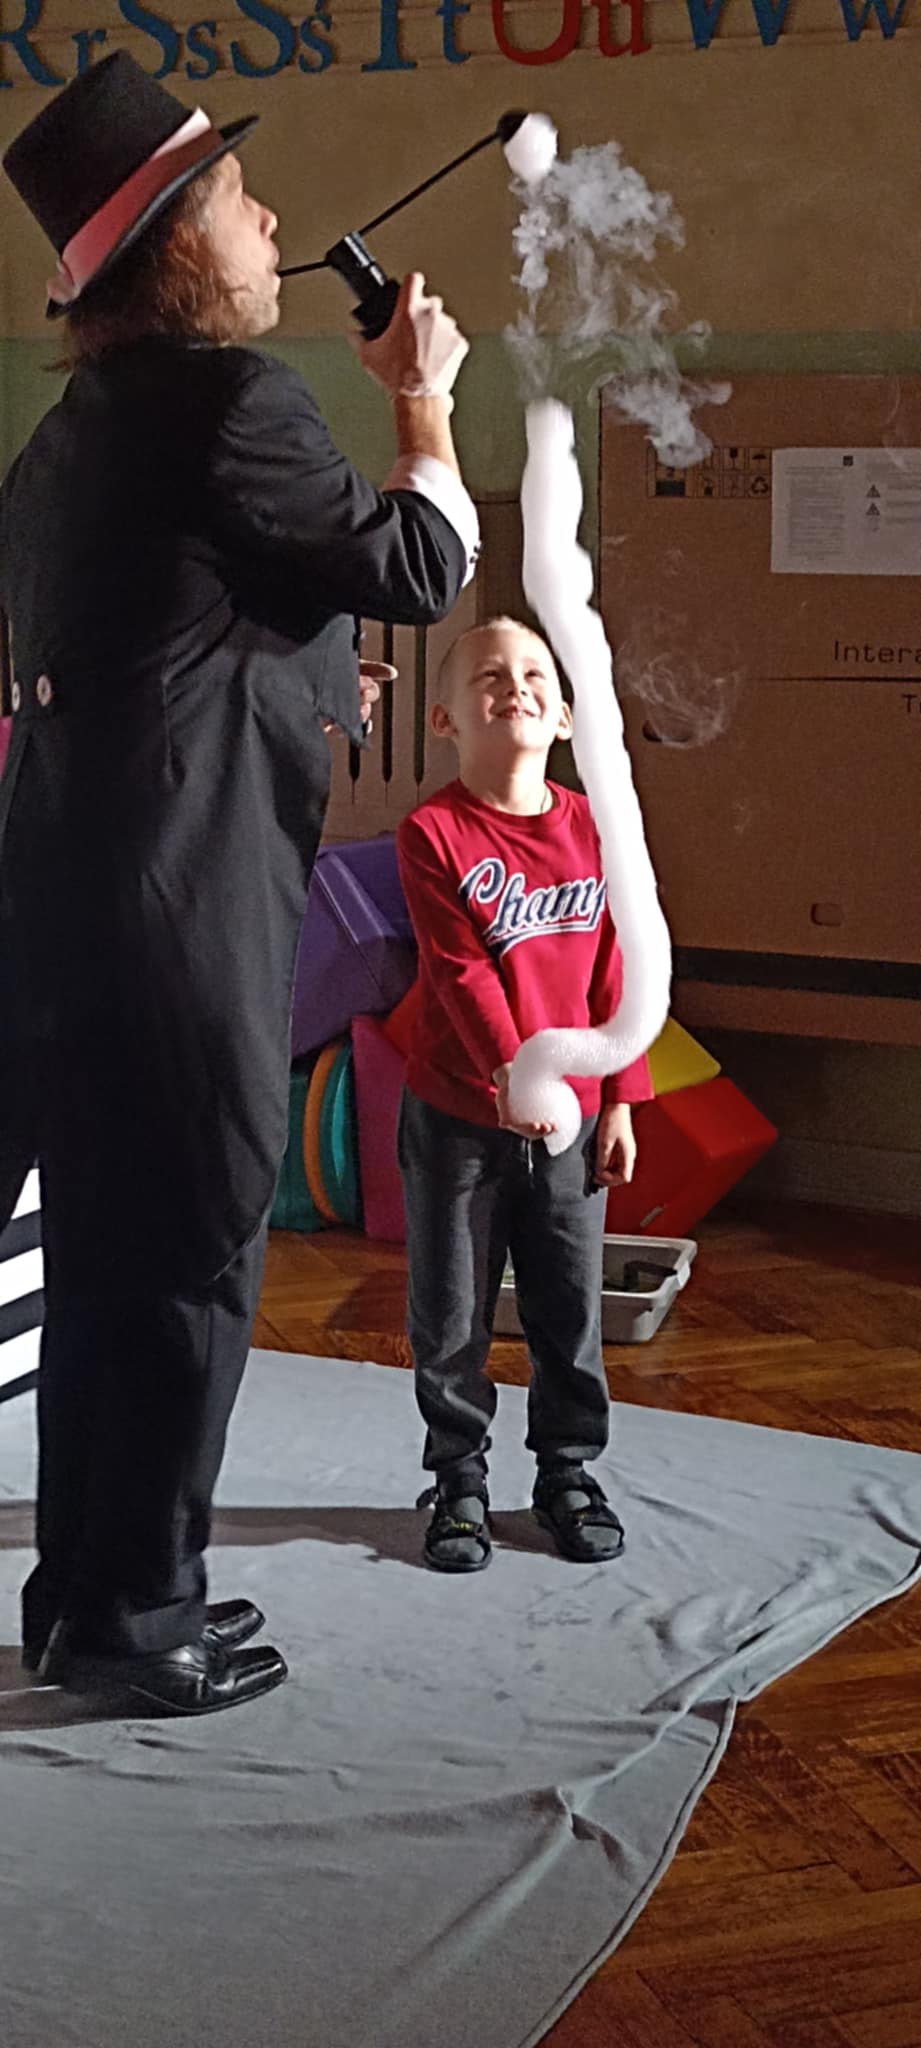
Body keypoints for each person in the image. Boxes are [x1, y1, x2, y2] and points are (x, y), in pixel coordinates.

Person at [0, 52, 478, 1714]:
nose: (271, 224)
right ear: (177, 252)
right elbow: (421, 564)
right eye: (241, 201)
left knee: (102, 1266)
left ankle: (84, 1596)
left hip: (60, 906)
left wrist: (297, 666)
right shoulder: (234, 404)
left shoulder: (64, 441)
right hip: (177, 912)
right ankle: (138, 1621)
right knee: (192, 1253)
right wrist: (421, 400)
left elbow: (174, 628)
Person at [396, 616, 653, 1574]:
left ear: (565, 714)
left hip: (571, 1124)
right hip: (459, 1118)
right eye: (490, 676)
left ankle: (567, 1473)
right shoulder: (432, 833)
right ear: (444, 719)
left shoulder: (596, 828)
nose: (516, 687)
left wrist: (620, 1095)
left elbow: (620, 968)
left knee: (567, 1307)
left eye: (536, 673)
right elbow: (459, 971)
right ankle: (458, 1477)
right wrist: (512, 1075)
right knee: (450, 1314)